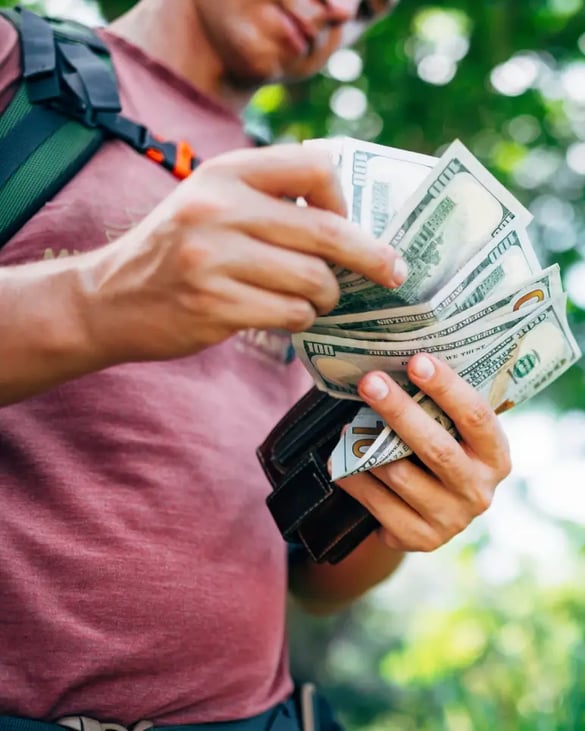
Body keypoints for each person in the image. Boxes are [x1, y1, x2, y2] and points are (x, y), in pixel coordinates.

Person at [0, 0, 512, 725]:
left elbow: (311, 574)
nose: (339, 11)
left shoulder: (318, 205)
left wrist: (404, 506)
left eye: (370, 9)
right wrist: (96, 298)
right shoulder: (15, 63)